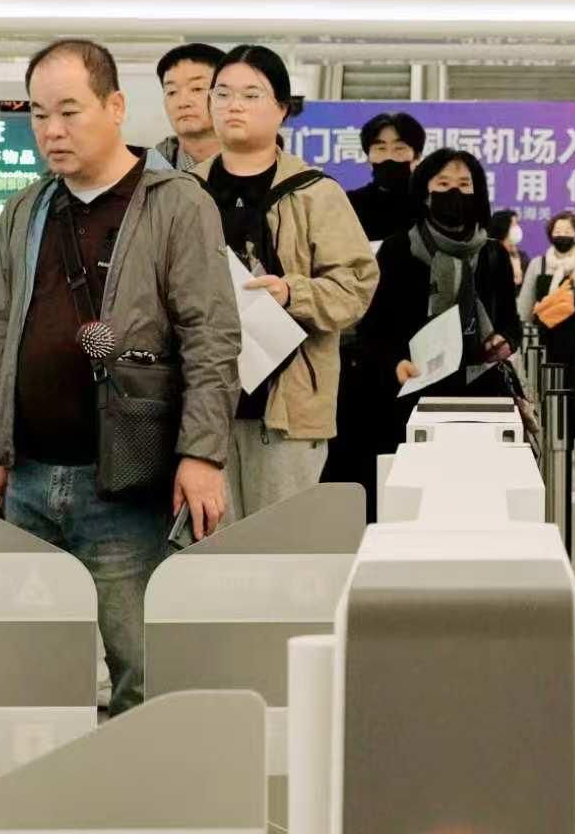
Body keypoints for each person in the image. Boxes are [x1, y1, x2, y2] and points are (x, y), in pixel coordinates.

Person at [0, 38, 238, 715]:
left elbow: (211, 336)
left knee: (142, 672)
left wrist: (203, 454)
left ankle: (150, 782)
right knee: (32, 672)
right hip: (31, 477)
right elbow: (4, 332)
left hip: (125, 481)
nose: (52, 131)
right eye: (39, 115)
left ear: (115, 107)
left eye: (69, 112)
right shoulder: (26, 210)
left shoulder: (176, 205)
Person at [192, 45, 378, 520]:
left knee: (279, 544)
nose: (233, 105)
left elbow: (356, 284)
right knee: (206, 548)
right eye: (222, 94)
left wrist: (292, 292)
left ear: (281, 109)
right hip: (200, 412)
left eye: (251, 95)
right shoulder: (184, 193)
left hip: (287, 410)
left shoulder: (316, 192)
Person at [351, 149, 523, 516]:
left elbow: (511, 324)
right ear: (424, 193)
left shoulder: (493, 255)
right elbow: (372, 330)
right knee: (410, 507)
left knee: (476, 506)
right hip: (410, 397)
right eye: (443, 184)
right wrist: (394, 362)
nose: (454, 193)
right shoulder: (398, 249)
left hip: (480, 397)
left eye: (464, 185)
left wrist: (504, 341)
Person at [518, 211, 575, 431]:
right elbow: (525, 305)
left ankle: (571, 441)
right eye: (558, 230)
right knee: (544, 391)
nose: (562, 234)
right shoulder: (539, 264)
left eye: (568, 231)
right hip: (544, 342)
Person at [347, 111, 427, 243]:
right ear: (368, 157)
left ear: (417, 156)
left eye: (399, 148)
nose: (389, 157)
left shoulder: (430, 203)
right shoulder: (349, 204)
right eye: (381, 148)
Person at [152, 43, 225, 173]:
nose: (182, 102)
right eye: (172, 92)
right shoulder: (143, 175)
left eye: (197, 88)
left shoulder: (262, 168)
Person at [490, 208, 527, 290]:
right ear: (503, 227)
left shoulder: (522, 257)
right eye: (514, 225)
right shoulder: (487, 255)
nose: (517, 229)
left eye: (517, 224)